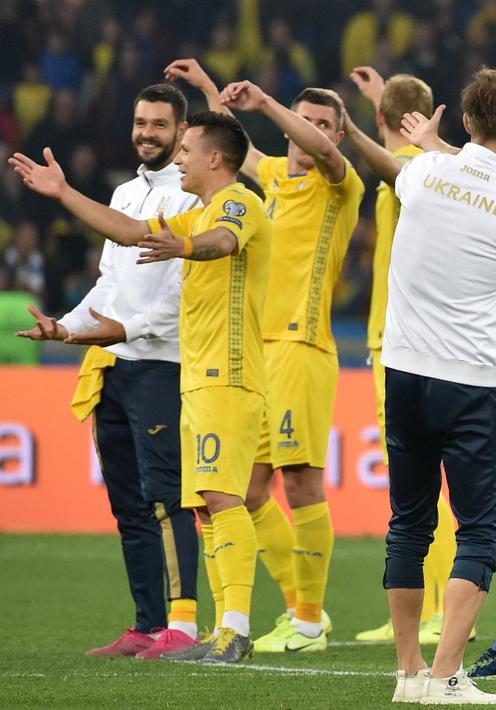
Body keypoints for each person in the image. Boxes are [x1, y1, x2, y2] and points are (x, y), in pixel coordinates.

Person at [11, 110, 272, 664]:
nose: (178, 157)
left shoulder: (237, 202)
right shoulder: (195, 214)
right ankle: (221, 632)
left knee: (223, 499)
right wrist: (63, 195)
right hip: (200, 378)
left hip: (228, 373)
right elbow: (129, 233)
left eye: (187, 150)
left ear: (214, 159)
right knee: (205, 505)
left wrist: (184, 248)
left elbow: (223, 243)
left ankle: (236, 630)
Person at [382, 67, 496, 704]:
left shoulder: (420, 173)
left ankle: (408, 674)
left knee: (407, 524)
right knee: (480, 530)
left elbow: (430, 170)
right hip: (470, 382)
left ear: (464, 121)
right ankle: (445, 676)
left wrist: (435, 148)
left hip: (403, 371)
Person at [166, 58, 366, 652]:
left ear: (336, 133)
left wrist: (272, 105)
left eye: (321, 124)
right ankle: (294, 611)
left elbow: (319, 149)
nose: (309, 132)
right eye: (302, 121)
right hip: (254, 353)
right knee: (248, 494)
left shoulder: (339, 182)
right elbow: (229, 153)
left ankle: (308, 619)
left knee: (301, 482)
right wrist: (208, 90)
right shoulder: (275, 176)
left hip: (302, 348)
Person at [13, 84, 202, 659]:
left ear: (181, 130)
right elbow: (108, 287)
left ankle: (184, 628)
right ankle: (147, 624)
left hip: (160, 366)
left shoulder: (193, 201)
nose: (147, 133)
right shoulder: (123, 191)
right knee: (128, 503)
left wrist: (114, 332)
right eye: (140, 122)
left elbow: (172, 303)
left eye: (160, 125)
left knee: (167, 497)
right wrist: (66, 327)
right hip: (113, 365)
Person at [341, 66, 462, 647]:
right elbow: (400, 125)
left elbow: (385, 152)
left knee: (418, 483)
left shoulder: (411, 171)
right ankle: (426, 605)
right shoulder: (438, 162)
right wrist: (381, 98)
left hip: (398, 339)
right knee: (424, 483)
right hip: (419, 338)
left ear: (384, 122)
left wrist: (360, 119)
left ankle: (432, 608)